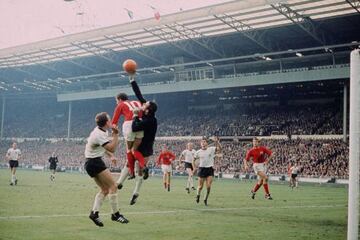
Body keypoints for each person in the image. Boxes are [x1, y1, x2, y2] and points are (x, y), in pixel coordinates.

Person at [116, 75, 158, 205]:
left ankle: (127, 188)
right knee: (133, 164)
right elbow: (139, 95)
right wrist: (132, 80)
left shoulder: (149, 120)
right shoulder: (148, 113)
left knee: (132, 162)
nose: (144, 103)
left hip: (144, 145)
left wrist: (134, 115)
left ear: (147, 109)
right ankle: (125, 187)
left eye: (146, 104)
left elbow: (134, 127)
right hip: (145, 144)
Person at [85, 112, 129, 227]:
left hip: (91, 162)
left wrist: (111, 156)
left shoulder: (100, 131)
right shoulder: (99, 134)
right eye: (109, 120)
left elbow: (103, 147)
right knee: (113, 186)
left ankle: (94, 213)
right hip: (95, 162)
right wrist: (116, 134)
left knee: (105, 189)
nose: (111, 121)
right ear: (106, 123)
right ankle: (115, 215)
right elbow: (112, 148)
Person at [111, 91, 145, 179]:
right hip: (141, 123)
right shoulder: (137, 102)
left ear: (119, 99)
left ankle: (132, 173)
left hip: (129, 123)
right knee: (135, 149)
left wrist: (114, 132)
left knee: (129, 150)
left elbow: (114, 121)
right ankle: (143, 165)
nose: (116, 102)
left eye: (116, 101)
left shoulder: (121, 104)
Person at [194, 137, 221, 206]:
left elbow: (219, 149)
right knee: (200, 186)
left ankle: (205, 199)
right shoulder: (198, 152)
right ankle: (198, 195)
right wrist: (194, 167)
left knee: (208, 186)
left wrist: (217, 142)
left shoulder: (211, 149)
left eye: (204, 142)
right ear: (200, 144)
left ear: (206, 143)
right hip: (202, 169)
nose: (203, 143)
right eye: (202, 142)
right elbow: (193, 160)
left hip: (209, 169)